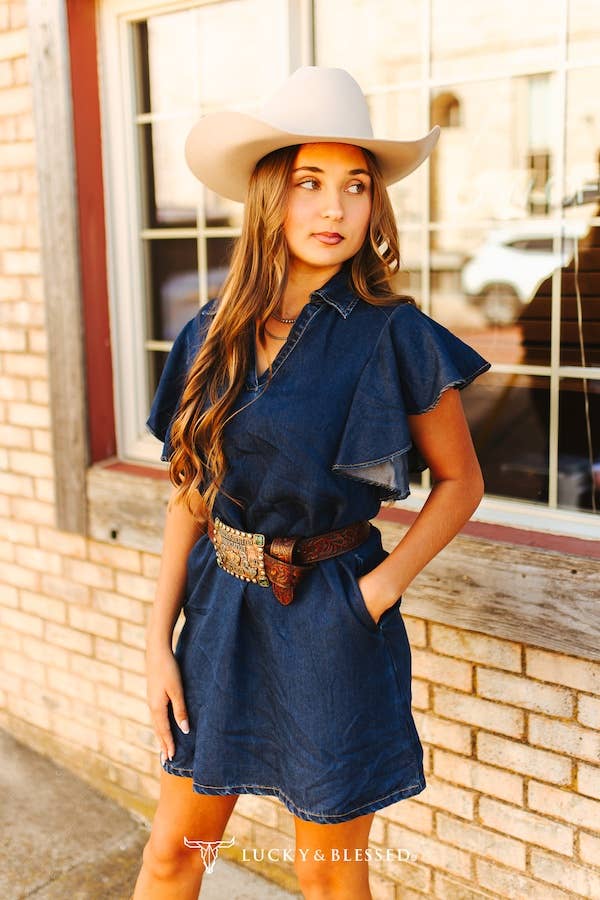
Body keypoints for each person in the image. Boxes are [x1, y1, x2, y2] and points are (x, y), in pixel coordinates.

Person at [133, 66, 491, 900]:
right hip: (218, 612)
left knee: (328, 877)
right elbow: (190, 490)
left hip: (331, 614)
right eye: (309, 183)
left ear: (376, 206)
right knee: (172, 856)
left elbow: (461, 481)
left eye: (356, 187)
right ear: (269, 195)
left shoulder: (394, 334)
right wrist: (158, 639)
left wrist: (374, 593)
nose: (334, 209)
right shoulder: (209, 331)